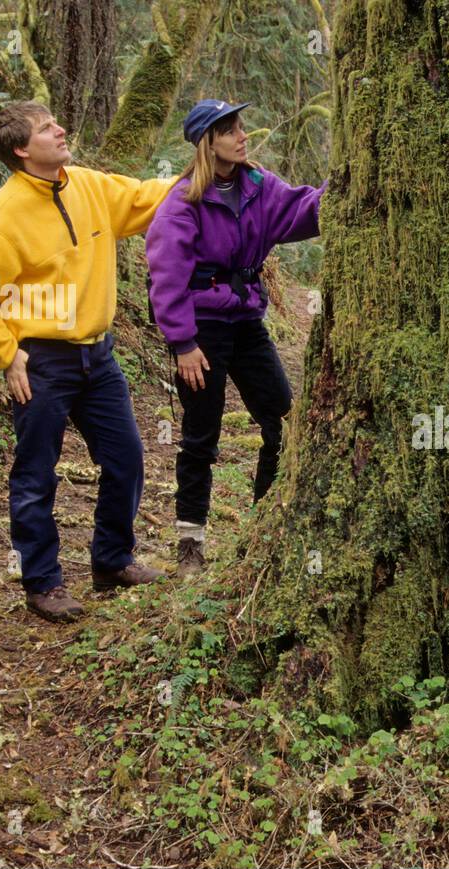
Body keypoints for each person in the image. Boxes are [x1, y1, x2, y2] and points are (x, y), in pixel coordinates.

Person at [0, 100, 178, 623]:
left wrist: (204, 174)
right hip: (43, 363)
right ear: (21, 149)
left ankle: (112, 562)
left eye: (55, 121)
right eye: (45, 128)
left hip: (98, 357)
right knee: (36, 475)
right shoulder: (0, 218)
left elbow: (148, 198)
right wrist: (7, 355)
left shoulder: (88, 186)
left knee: (126, 459)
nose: (60, 130)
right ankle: (43, 583)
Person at [146, 98, 326, 578]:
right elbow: (165, 279)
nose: (243, 135)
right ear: (208, 143)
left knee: (283, 420)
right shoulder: (181, 204)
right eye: (230, 130)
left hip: (246, 322)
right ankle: (190, 543)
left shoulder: (257, 186)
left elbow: (302, 208)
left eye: (242, 126)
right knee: (201, 435)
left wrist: (342, 189)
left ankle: (264, 524)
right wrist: (183, 344)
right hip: (201, 330)